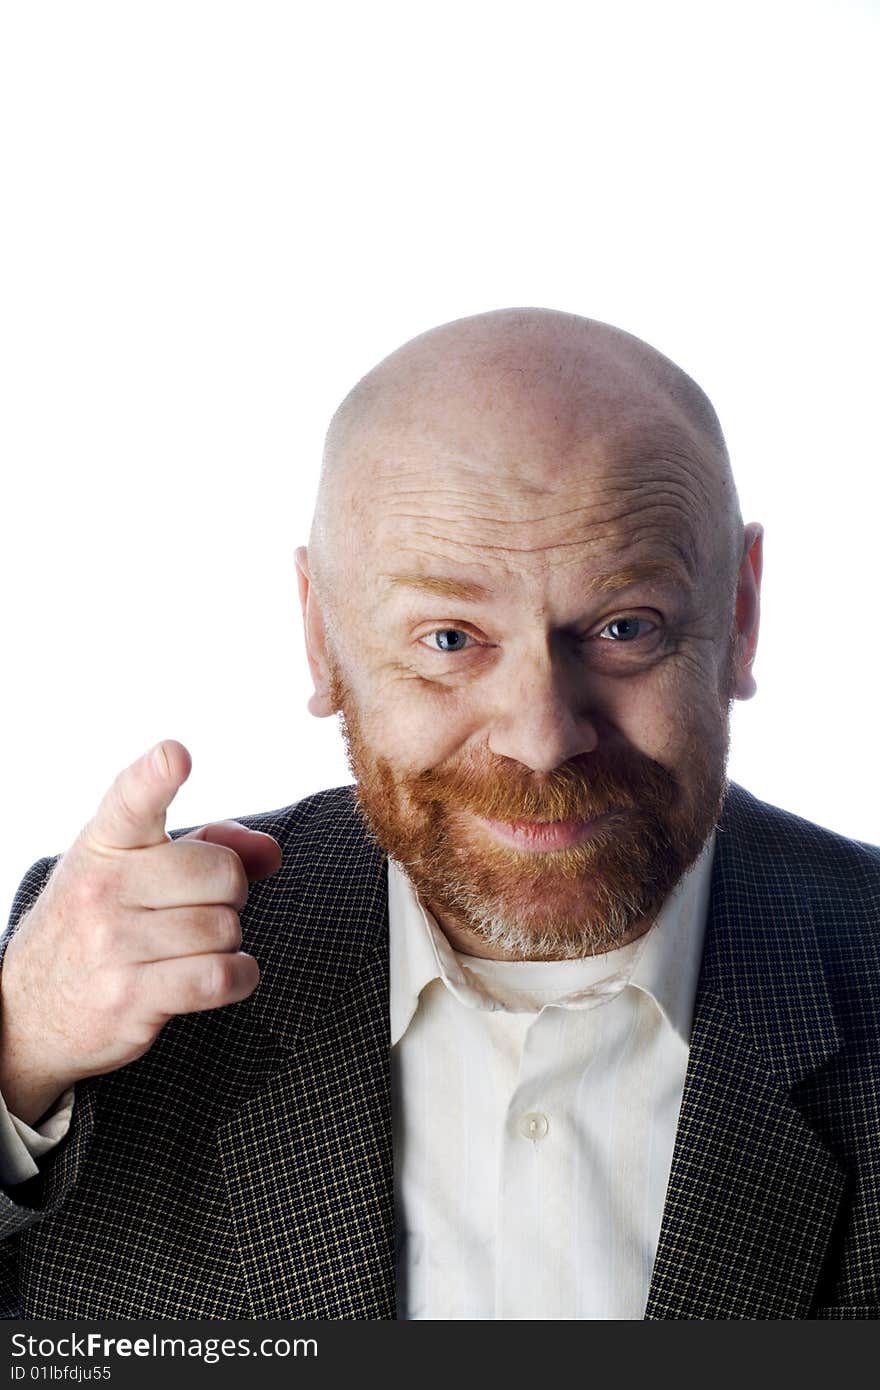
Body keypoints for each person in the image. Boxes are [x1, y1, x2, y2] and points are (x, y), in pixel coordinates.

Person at [0, 307, 877, 1321]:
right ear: (323, 640)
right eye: (452, 638)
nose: (541, 736)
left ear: (737, 617)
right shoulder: (95, 996)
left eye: (624, 626)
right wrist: (13, 1056)